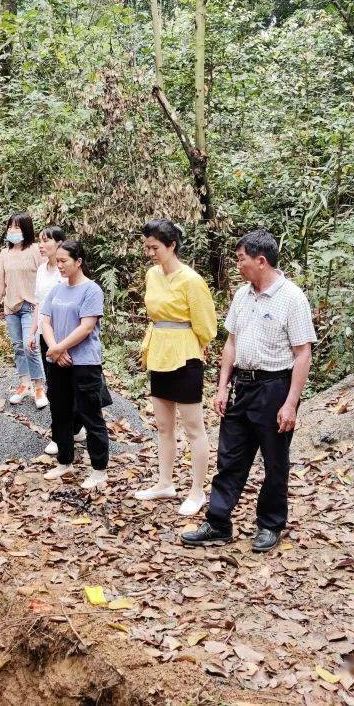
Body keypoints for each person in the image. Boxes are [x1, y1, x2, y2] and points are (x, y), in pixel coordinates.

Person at [182, 230, 315, 552]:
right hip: (243, 385)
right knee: (230, 457)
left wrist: (291, 404)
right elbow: (232, 341)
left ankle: (270, 525)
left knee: (274, 462)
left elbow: (303, 353)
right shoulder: (243, 295)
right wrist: (223, 385)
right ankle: (218, 522)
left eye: (241, 259)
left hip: (274, 387)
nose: (237, 265)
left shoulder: (292, 298)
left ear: (261, 260)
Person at [135, 219, 217, 517]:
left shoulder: (191, 280)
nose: (151, 253)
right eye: (147, 248)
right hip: (158, 351)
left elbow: (206, 325)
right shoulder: (152, 275)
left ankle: (197, 490)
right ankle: (164, 482)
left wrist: (194, 342)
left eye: (155, 247)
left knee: (194, 428)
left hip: (185, 355)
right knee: (164, 426)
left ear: (172, 245)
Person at [41, 240, 111, 490]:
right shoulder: (57, 290)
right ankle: (64, 461)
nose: (59, 266)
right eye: (57, 261)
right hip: (58, 360)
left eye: (64, 261)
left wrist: (61, 347)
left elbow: (87, 326)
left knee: (90, 415)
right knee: (59, 412)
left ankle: (99, 469)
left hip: (84, 363)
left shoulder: (91, 290)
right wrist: (54, 349)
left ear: (78, 261)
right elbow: (45, 321)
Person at [0, 213, 47, 409]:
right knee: (17, 347)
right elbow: (0, 281)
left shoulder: (35, 251)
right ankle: (24, 384)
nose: (13, 231)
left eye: (17, 227)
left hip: (31, 306)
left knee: (29, 345)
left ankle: (39, 387)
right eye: (10, 227)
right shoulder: (4, 253)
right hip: (10, 307)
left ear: (26, 229)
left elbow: (46, 277)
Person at [31, 225, 67, 455]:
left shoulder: (66, 271)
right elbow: (38, 303)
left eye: (46, 241)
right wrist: (33, 332)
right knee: (54, 386)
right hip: (46, 335)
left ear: (59, 244)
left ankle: (72, 429)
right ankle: (59, 434)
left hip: (64, 335)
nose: (41, 246)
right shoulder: (42, 270)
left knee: (67, 386)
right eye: (40, 241)